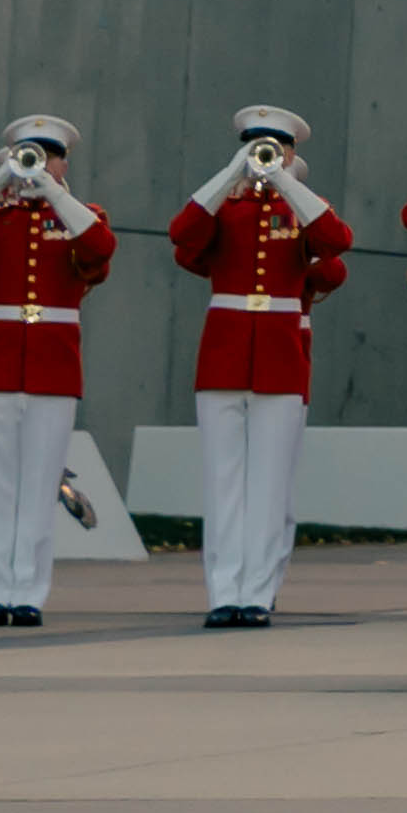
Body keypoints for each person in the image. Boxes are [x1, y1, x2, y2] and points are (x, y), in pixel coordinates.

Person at [167, 106, 354, 627]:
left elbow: (337, 245)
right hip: (223, 355)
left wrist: (287, 184)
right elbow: (182, 234)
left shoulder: (304, 208)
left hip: (279, 358)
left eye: (276, 147)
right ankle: (222, 594)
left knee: (270, 486)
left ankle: (257, 593)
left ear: (294, 154)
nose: (264, 155)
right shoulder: (225, 207)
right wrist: (232, 175)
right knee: (222, 483)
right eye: (255, 145)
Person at [0, 119, 113, 625]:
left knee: (38, 489)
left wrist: (55, 194)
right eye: (28, 154)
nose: (40, 162)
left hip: (53, 368)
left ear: (64, 163)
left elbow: (100, 250)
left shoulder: (83, 215)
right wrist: (1, 182)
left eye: (49, 155)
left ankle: (28, 594)